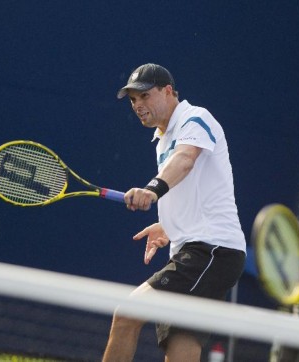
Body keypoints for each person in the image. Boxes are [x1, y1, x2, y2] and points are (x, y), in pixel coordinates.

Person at [102, 63, 246, 362]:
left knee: (127, 314)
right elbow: (194, 188)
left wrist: (152, 190)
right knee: (180, 345)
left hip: (212, 250)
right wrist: (167, 225)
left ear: (168, 91)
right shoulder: (162, 139)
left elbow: (184, 161)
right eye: (132, 100)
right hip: (201, 249)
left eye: (144, 96)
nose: (138, 105)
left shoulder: (195, 118)